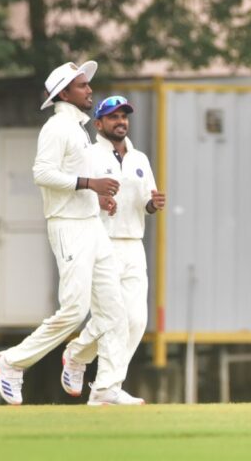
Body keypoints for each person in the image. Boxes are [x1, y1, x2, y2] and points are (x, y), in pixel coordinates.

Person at [0, 60, 142, 406]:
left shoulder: (78, 128)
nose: (89, 89)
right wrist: (90, 183)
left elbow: (73, 178)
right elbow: (42, 173)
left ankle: (105, 390)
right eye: (82, 85)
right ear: (64, 93)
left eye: (88, 84)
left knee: (114, 310)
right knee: (75, 309)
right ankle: (11, 362)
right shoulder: (57, 127)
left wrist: (98, 197)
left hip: (91, 224)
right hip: (67, 227)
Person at [87, 95, 165, 379]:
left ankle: (109, 383)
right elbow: (79, 196)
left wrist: (152, 205)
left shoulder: (139, 158)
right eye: (113, 117)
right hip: (102, 242)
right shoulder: (90, 155)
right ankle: (98, 377)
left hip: (133, 244)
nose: (121, 122)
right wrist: (99, 201)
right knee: (113, 319)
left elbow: (146, 201)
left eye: (124, 116)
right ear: (99, 123)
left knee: (136, 321)